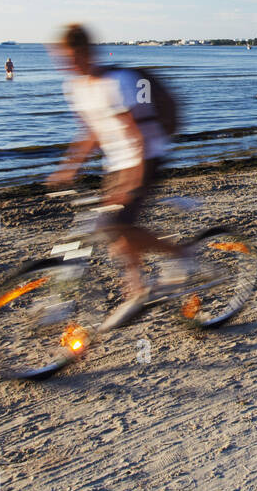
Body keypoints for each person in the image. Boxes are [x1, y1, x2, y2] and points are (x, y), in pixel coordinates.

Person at [47, 23, 188, 325]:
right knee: (113, 231)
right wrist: (69, 167)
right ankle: (138, 291)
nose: (64, 64)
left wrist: (132, 183)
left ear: (85, 52)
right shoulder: (75, 87)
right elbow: (91, 130)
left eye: (69, 57)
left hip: (146, 158)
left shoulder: (116, 82)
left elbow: (136, 137)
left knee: (118, 224)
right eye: (60, 57)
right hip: (116, 162)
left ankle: (180, 253)